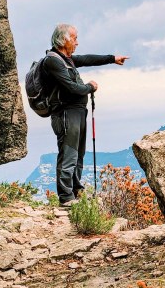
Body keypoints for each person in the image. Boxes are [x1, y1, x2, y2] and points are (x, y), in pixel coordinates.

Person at [42, 23, 128, 205]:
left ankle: (75, 192)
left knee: (78, 154)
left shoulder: (67, 59)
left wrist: (112, 58)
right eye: (75, 38)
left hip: (77, 113)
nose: (77, 42)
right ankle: (66, 197)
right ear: (64, 40)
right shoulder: (53, 60)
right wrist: (90, 87)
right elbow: (72, 88)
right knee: (69, 154)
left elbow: (88, 59)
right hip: (66, 113)